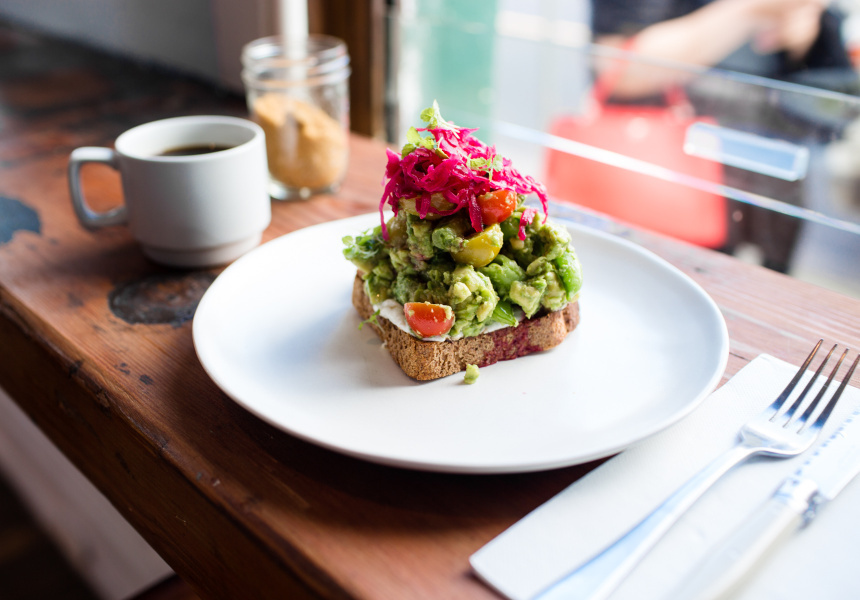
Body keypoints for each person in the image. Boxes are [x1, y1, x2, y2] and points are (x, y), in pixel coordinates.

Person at [590, 0, 854, 271]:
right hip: (672, 172)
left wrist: (805, 38)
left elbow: (835, 93)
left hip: (776, 174)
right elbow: (617, 69)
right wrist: (749, 10)